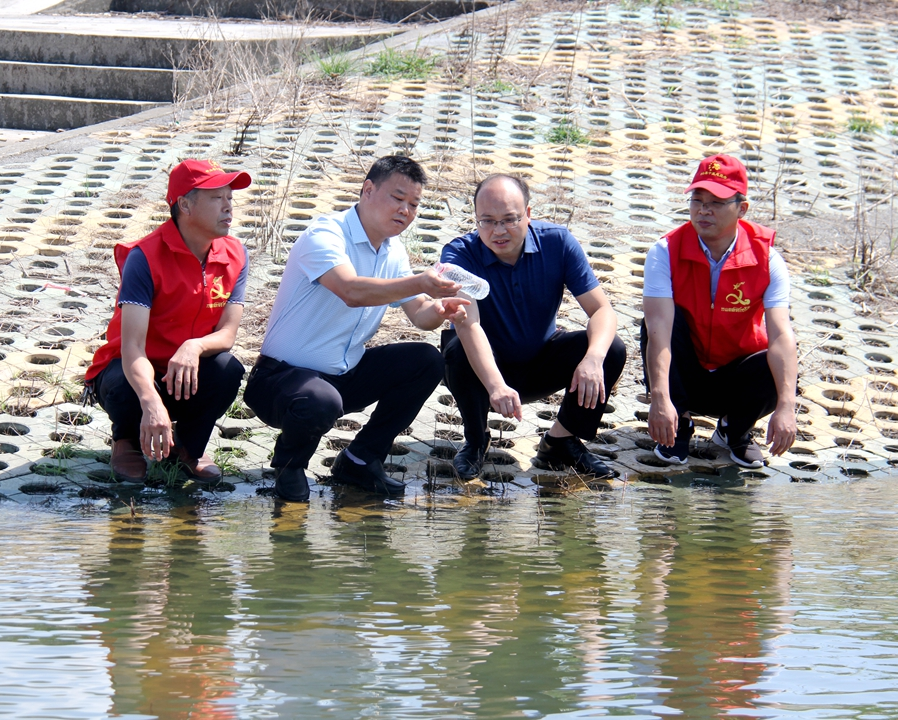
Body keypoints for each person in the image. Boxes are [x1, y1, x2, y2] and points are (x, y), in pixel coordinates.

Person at [243, 155, 468, 502]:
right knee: (320, 399)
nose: (405, 211)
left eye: (413, 204)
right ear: (367, 190)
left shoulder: (392, 253)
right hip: (280, 381)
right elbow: (351, 291)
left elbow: (421, 317)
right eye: (397, 198)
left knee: (426, 360)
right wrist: (420, 282)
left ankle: (360, 460)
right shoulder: (326, 233)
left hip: (342, 376)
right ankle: (289, 466)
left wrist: (442, 309)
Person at [439, 174, 626, 480]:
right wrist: (496, 385)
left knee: (610, 347)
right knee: (456, 348)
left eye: (510, 219)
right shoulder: (459, 255)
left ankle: (562, 439)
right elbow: (468, 325)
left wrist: (592, 359)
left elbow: (602, 310)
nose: (498, 231)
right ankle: (475, 441)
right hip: (482, 369)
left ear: (528, 213)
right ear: (476, 219)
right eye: (487, 221)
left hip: (539, 360)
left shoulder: (558, 242)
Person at [85, 159, 251, 483]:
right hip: (136, 370)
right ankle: (127, 442)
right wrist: (151, 401)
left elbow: (227, 334)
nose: (228, 207)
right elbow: (132, 347)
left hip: (186, 371)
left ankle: (188, 447)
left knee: (228, 369)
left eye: (230, 198)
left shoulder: (235, 255)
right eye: (217, 198)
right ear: (185, 205)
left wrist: (194, 346)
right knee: (120, 381)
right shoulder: (144, 258)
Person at [641, 154, 797, 468]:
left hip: (734, 376)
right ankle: (679, 422)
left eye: (716, 202)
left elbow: (781, 335)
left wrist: (787, 407)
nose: (703, 210)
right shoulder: (664, 252)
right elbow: (658, 333)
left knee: (777, 361)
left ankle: (734, 430)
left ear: (742, 209)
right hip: (685, 375)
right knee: (657, 325)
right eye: (697, 200)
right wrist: (660, 398)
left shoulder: (768, 259)